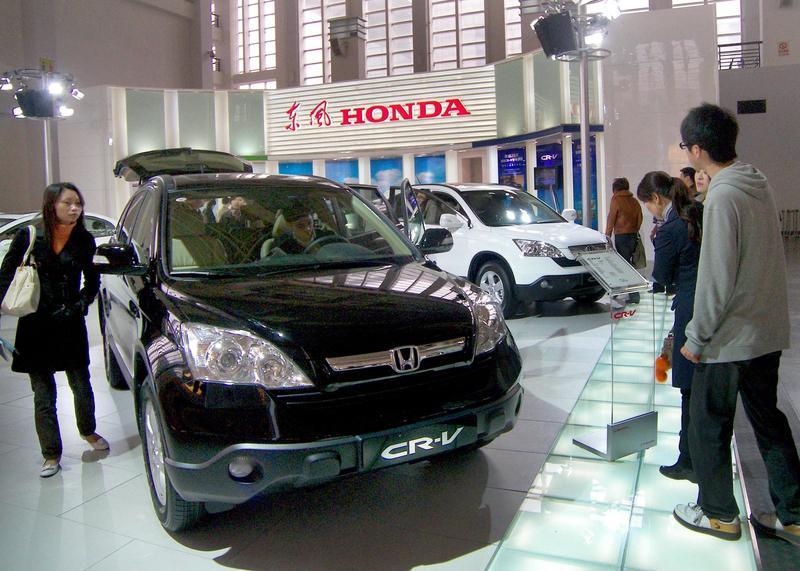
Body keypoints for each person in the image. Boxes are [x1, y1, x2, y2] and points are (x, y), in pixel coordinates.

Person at [674, 103, 800, 544]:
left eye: (686, 146)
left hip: (729, 338)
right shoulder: (755, 182)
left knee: (707, 424)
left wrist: (695, 337)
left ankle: (718, 515)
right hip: (765, 332)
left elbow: (717, 277)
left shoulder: (724, 196)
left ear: (697, 149)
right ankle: (793, 514)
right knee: (769, 422)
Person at [0, 183, 108, 478]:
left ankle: (88, 431)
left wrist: (79, 305)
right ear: (52, 205)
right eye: (68, 203)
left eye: (78, 203)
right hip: (35, 324)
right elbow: (6, 275)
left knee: (81, 383)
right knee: (43, 393)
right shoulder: (30, 235)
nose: (75, 208)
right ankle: (50, 454)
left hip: (70, 322)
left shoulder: (84, 239)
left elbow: (92, 282)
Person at [636, 171, 702, 483]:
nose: (650, 211)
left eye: (648, 205)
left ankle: (689, 460)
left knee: (689, 390)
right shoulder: (698, 213)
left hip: (689, 309)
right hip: (711, 304)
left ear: (656, 198)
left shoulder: (670, 229)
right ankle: (697, 458)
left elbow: (661, 276)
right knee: (702, 389)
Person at [605, 177, 644, 303]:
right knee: (627, 264)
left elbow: (611, 219)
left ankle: (634, 295)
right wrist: (635, 229)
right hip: (633, 235)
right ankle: (619, 290)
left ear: (615, 189)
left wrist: (607, 236)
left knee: (625, 266)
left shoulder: (616, 200)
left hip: (621, 236)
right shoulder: (634, 201)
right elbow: (640, 218)